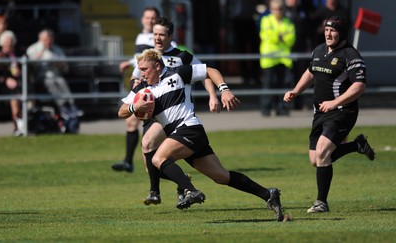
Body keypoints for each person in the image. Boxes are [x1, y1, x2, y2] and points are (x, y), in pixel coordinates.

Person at [118, 48, 285, 222]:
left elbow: (210, 71)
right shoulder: (143, 89)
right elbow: (121, 111)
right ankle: (268, 194)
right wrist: (133, 107)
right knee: (221, 176)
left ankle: (191, 191)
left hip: (189, 128)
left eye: (145, 69)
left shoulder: (179, 73)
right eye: (140, 69)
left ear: (158, 66)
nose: (141, 73)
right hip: (180, 135)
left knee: (157, 158)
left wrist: (224, 89)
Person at [283, 16, 376, 213]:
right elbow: (310, 72)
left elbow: (359, 86)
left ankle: (321, 203)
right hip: (320, 113)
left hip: (342, 112)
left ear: (342, 33)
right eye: (326, 30)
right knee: (315, 159)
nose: (328, 34)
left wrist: (335, 103)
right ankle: (356, 145)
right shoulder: (318, 50)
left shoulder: (351, 55)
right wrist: (296, 91)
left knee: (323, 152)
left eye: (333, 31)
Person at [131, 17, 221, 205]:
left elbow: (204, 73)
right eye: (154, 34)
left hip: (174, 110)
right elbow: (135, 79)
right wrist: (137, 95)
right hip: (153, 108)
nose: (157, 38)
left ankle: (157, 192)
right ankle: (179, 182)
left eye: (161, 34)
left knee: (149, 145)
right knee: (152, 165)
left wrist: (213, 95)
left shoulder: (183, 56)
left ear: (170, 36)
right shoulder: (147, 57)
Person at [111, 7, 162, 173]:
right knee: (131, 121)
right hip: (137, 81)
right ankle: (130, 161)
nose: (150, 20)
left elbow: (154, 59)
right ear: (142, 19)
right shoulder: (141, 36)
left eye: (153, 18)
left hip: (147, 83)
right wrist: (130, 62)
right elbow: (140, 58)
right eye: (147, 17)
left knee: (140, 121)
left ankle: (157, 162)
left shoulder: (158, 39)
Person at [26, 29, 82, 120]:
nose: (48, 42)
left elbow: (65, 68)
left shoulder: (57, 50)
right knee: (50, 82)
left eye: (50, 39)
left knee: (61, 81)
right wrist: (37, 59)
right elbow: (29, 68)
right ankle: (63, 106)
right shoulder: (32, 49)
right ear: (40, 39)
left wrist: (59, 64)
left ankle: (71, 105)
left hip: (56, 75)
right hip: (40, 78)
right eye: (46, 40)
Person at [259, 0, 295, 116]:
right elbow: (266, 35)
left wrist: (278, 36)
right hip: (269, 58)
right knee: (268, 84)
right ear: (271, 9)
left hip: (284, 58)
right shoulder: (266, 20)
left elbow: (291, 38)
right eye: (275, 9)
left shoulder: (287, 21)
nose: (277, 11)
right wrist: (281, 36)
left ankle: (282, 108)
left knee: (283, 84)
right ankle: (266, 109)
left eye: (279, 9)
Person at [0, 30, 24, 136]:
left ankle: (22, 125)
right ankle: (18, 126)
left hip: (20, 84)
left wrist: (20, 71)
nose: (9, 44)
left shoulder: (19, 54)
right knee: (15, 97)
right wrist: (6, 80)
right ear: (2, 43)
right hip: (3, 86)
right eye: (6, 42)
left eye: (11, 42)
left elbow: (28, 68)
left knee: (20, 92)